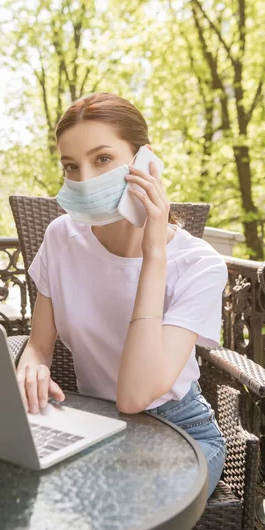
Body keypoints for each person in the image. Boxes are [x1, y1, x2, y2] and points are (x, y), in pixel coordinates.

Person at [17, 92, 228, 498]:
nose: (84, 179)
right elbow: (39, 346)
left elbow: (133, 396)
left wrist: (154, 253)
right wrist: (32, 368)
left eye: (102, 160)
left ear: (144, 160)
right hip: (92, 420)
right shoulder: (61, 238)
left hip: (180, 432)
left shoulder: (200, 265)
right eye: (70, 166)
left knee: (117, 509)